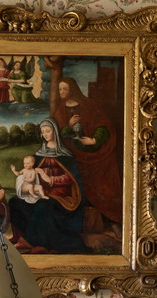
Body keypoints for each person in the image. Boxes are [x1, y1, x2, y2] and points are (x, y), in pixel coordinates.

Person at [7, 118, 88, 255]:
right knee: (15, 202)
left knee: (44, 205)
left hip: (61, 195)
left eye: (48, 131)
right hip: (40, 192)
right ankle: (27, 238)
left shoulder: (66, 156)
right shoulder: (38, 155)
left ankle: (29, 241)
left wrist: (50, 179)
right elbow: (28, 174)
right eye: (42, 132)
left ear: (55, 132)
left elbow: (70, 179)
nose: (45, 134)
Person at [52, 75, 122, 231]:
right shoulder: (60, 111)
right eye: (60, 89)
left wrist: (95, 140)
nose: (62, 92)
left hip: (95, 154)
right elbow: (58, 134)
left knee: (105, 187)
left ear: (73, 89)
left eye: (65, 88)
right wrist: (69, 126)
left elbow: (103, 125)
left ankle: (112, 221)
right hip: (74, 155)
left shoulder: (89, 105)